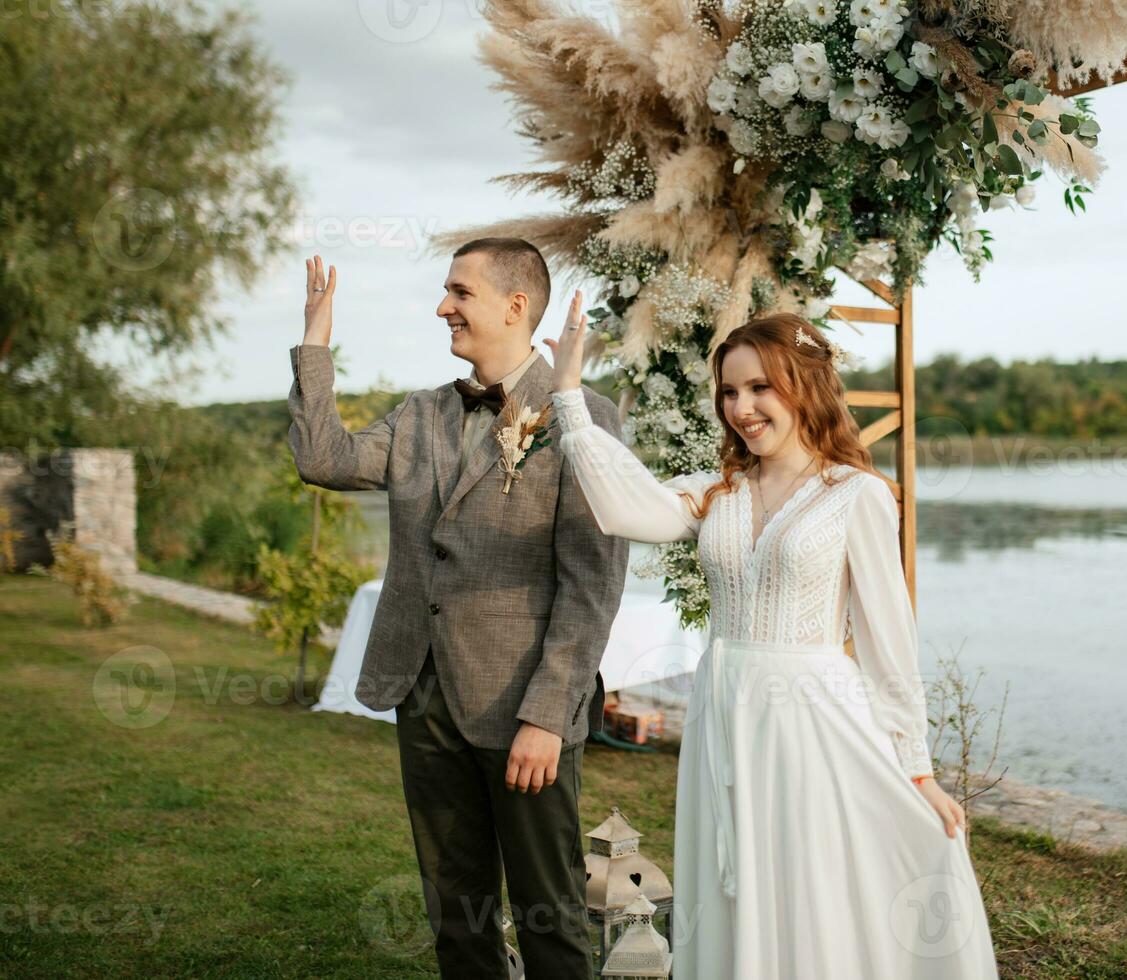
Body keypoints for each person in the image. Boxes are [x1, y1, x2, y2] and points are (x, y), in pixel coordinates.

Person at [544, 295, 1000, 978]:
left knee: (813, 887)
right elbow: (620, 506)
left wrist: (918, 771)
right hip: (724, 717)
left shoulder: (858, 494)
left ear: (805, 387)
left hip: (814, 722)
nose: (741, 407)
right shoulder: (717, 489)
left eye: (761, 387)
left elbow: (888, 646)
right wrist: (569, 396)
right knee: (731, 892)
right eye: (729, 391)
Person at [287, 242, 629, 979]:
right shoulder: (419, 416)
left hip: (522, 709)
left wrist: (547, 714)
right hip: (423, 692)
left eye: (459, 291)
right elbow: (323, 459)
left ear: (516, 305)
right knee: (455, 910)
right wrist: (315, 346)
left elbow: (591, 585)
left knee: (549, 913)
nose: (443, 306)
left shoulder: (582, 418)